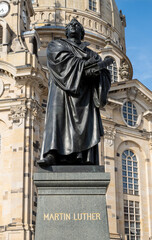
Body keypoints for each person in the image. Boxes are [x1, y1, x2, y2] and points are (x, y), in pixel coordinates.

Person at [38, 18, 113, 166]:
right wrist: (87, 66)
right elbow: (62, 62)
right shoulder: (56, 44)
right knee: (57, 119)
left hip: (84, 96)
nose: (73, 26)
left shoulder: (92, 53)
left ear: (82, 33)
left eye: (77, 25)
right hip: (61, 91)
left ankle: (83, 156)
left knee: (84, 126)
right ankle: (52, 153)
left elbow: (102, 74)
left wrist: (99, 72)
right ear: (66, 32)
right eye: (70, 25)